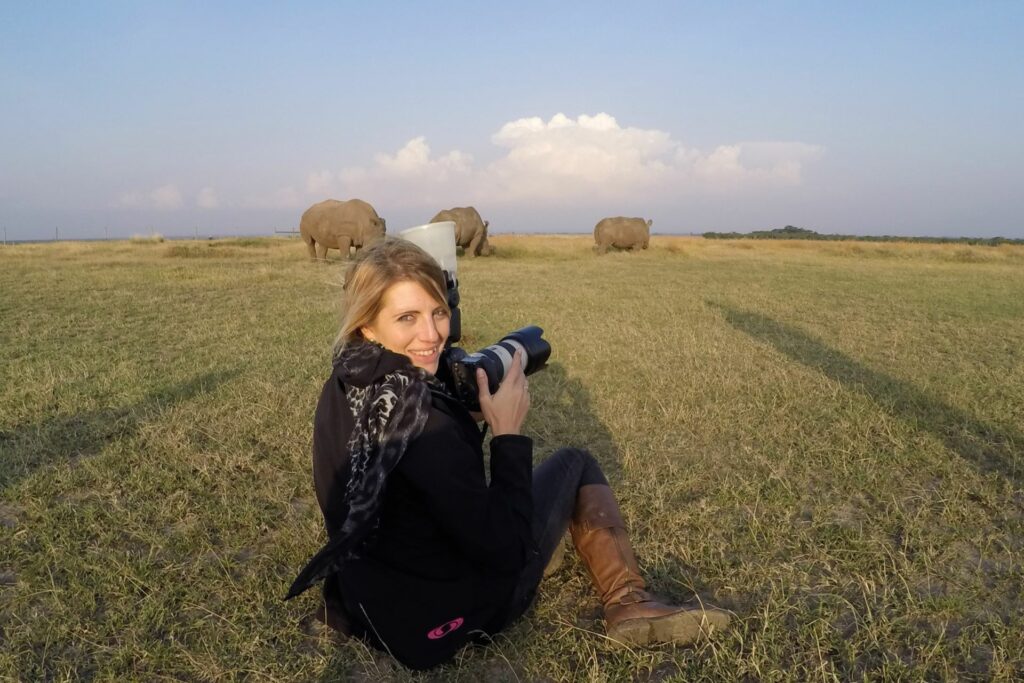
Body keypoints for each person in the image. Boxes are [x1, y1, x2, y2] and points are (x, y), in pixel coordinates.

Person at [287, 238, 731, 670]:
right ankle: (630, 602)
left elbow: (409, 487)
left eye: (439, 312)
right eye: (407, 317)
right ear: (367, 324)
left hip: (373, 604)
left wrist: (458, 409)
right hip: (438, 625)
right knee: (575, 461)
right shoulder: (429, 426)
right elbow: (503, 551)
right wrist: (507, 435)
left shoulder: (346, 383)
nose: (431, 334)